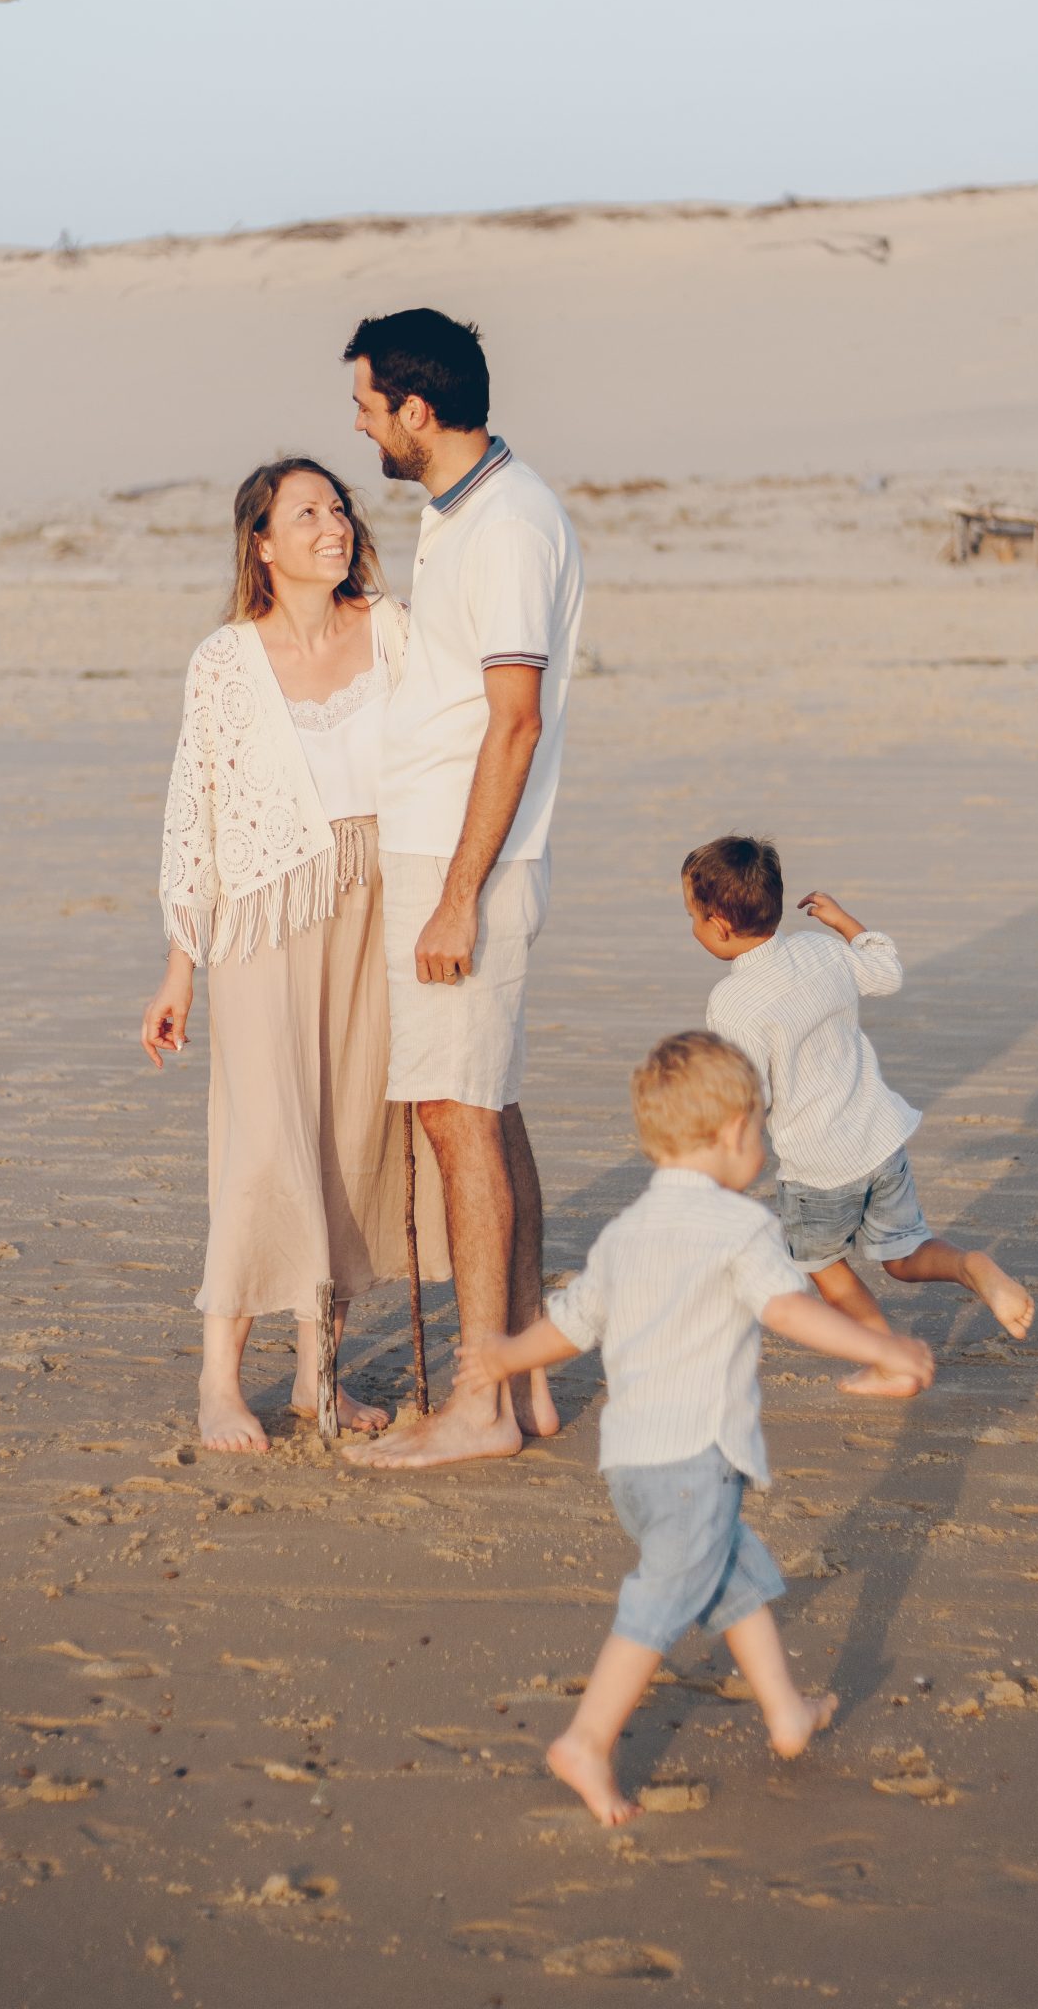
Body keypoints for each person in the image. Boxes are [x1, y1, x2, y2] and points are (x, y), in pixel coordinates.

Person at [457, 1030, 934, 1824]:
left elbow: (571, 1326)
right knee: (664, 1596)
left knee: (733, 1574)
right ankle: (587, 1738)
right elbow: (787, 1311)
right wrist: (881, 1344)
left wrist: (506, 1355)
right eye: (761, 1132)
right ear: (735, 1134)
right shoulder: (739, 1229)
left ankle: (784, 1709)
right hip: (692, 1460)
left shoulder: (625, 1232)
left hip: (633, 1468)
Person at [141, 458, 447, 1453]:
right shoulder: (225, 660)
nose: (336, 521)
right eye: (308, 510)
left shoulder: (393, 630)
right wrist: (181, 961)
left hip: (380, 907)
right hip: (267, 919)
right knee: (265, 1146)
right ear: (262, 543)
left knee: (350, 1146)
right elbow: (198, 809)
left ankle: (320, 1378)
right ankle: (218, 1383)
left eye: (341, 505)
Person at [342, 307, 583, 1467]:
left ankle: (479, 1404)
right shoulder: (463, 512)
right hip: (447, 850)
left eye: (368, 405)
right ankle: (526, 1366)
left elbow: (515, 719)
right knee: (487, 1104)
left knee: (457, 1118)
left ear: (417, 411)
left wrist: (456, 895)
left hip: (465, 860)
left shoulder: (509, 524)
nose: (360, 423)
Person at [682, 834, 1034, 1395]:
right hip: (879, 1138)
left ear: (720, 924)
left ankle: (891, 1358)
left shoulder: (733, 1002)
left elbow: (749, 1092)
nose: (694, 928)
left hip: (817, 1166)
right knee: (905, 1255)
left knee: (827, 1270)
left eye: (694, 918)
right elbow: (885, 972)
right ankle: (972, 1267)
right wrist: (846, 922)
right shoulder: (821, 952)